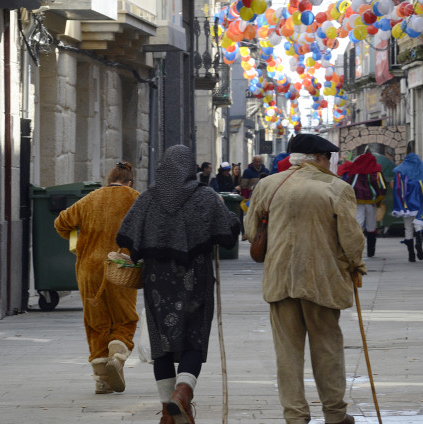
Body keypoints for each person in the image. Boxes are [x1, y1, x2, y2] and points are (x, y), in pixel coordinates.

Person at [244, 133, 366, 424]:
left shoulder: (267, 185)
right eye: (329, 158)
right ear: (320, 159)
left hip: (280, 281)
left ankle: (295, 416)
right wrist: (356, 266)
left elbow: (251, 232)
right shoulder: (337, 188)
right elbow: (351, 238)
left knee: (287, 354)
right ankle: (335, 413)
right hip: (321, 281)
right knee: (327, 349)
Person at [116, 145, 240, 424]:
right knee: (193, 337)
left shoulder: (147, 198)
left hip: (157, 282)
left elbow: (125, 236)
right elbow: (230, 233)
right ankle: (182, 395)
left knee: (162, 342)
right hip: (195, 278)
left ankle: (166, 412)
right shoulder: (205, 197)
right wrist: (222, 210)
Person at [54, 162, 140, 394]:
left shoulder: (90, 199)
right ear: (129, 182)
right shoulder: (135, 198)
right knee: (125, 318)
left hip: (89, 269)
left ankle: (102, 379)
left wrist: (77, 238)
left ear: (109, 180)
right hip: (121, 267)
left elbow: (61, 223)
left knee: (96, 322)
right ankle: (118, 352)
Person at [337, 150, 387, 258]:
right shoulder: (376, 170)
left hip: (358, 201)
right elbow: (382, 185)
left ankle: (356, 249)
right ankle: (371, 251)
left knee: (358, 224)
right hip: (372, 202)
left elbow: (348, 184)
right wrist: (380, 198)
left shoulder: (356, 171)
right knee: (371, 225)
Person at [391, 151, 423, 262]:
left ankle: (411, 255)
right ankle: (419, 242)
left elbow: (398, 188)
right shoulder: (422, 168)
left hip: (406, 205)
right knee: (418, 225)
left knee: (408, 227)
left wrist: (399, 203)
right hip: (419, 203)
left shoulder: (402, 169)